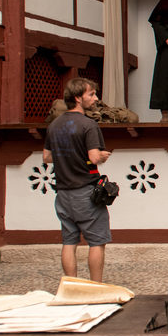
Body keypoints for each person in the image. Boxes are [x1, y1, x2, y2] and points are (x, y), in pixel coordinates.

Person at [43, 78, 112, 283]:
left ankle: (72, 285)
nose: (95, 98)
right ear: (77, 98)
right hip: (85, 190)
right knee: (96, 241)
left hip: (63, 192)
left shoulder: (54, 125)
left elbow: (47, 158)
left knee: (69, 241)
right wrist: (102, 155)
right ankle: (95, 286)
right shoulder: (88, 125)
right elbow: (93, 157)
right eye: (91, 94)